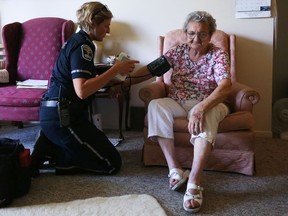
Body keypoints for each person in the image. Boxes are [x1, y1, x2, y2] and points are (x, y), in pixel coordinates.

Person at [122, 11, 231, 213]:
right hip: (179, 102)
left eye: (202, 34)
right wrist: (123, 82)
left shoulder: (218, 55)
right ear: (185, 33)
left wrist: (201, 107)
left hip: (209, 103)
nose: (195, 39)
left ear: (211, 35)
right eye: (191, 33)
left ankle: (195, 182)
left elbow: (225, 86)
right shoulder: (177, 52)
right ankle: (175, 171)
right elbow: (151, 70)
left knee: (206, 116)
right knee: (156, 105)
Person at [30, 1, 139, 176]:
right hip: (63, 117)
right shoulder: (83, 46)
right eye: (106, 26)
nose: (108, 31)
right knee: (111, 164)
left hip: (62, 113)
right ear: (93, 23)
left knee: (104, 152)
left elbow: (86, 82)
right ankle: (58, 155)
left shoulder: (78, 40)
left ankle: (51, 144)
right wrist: (115, 70)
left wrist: (112, 81)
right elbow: (82, 90)